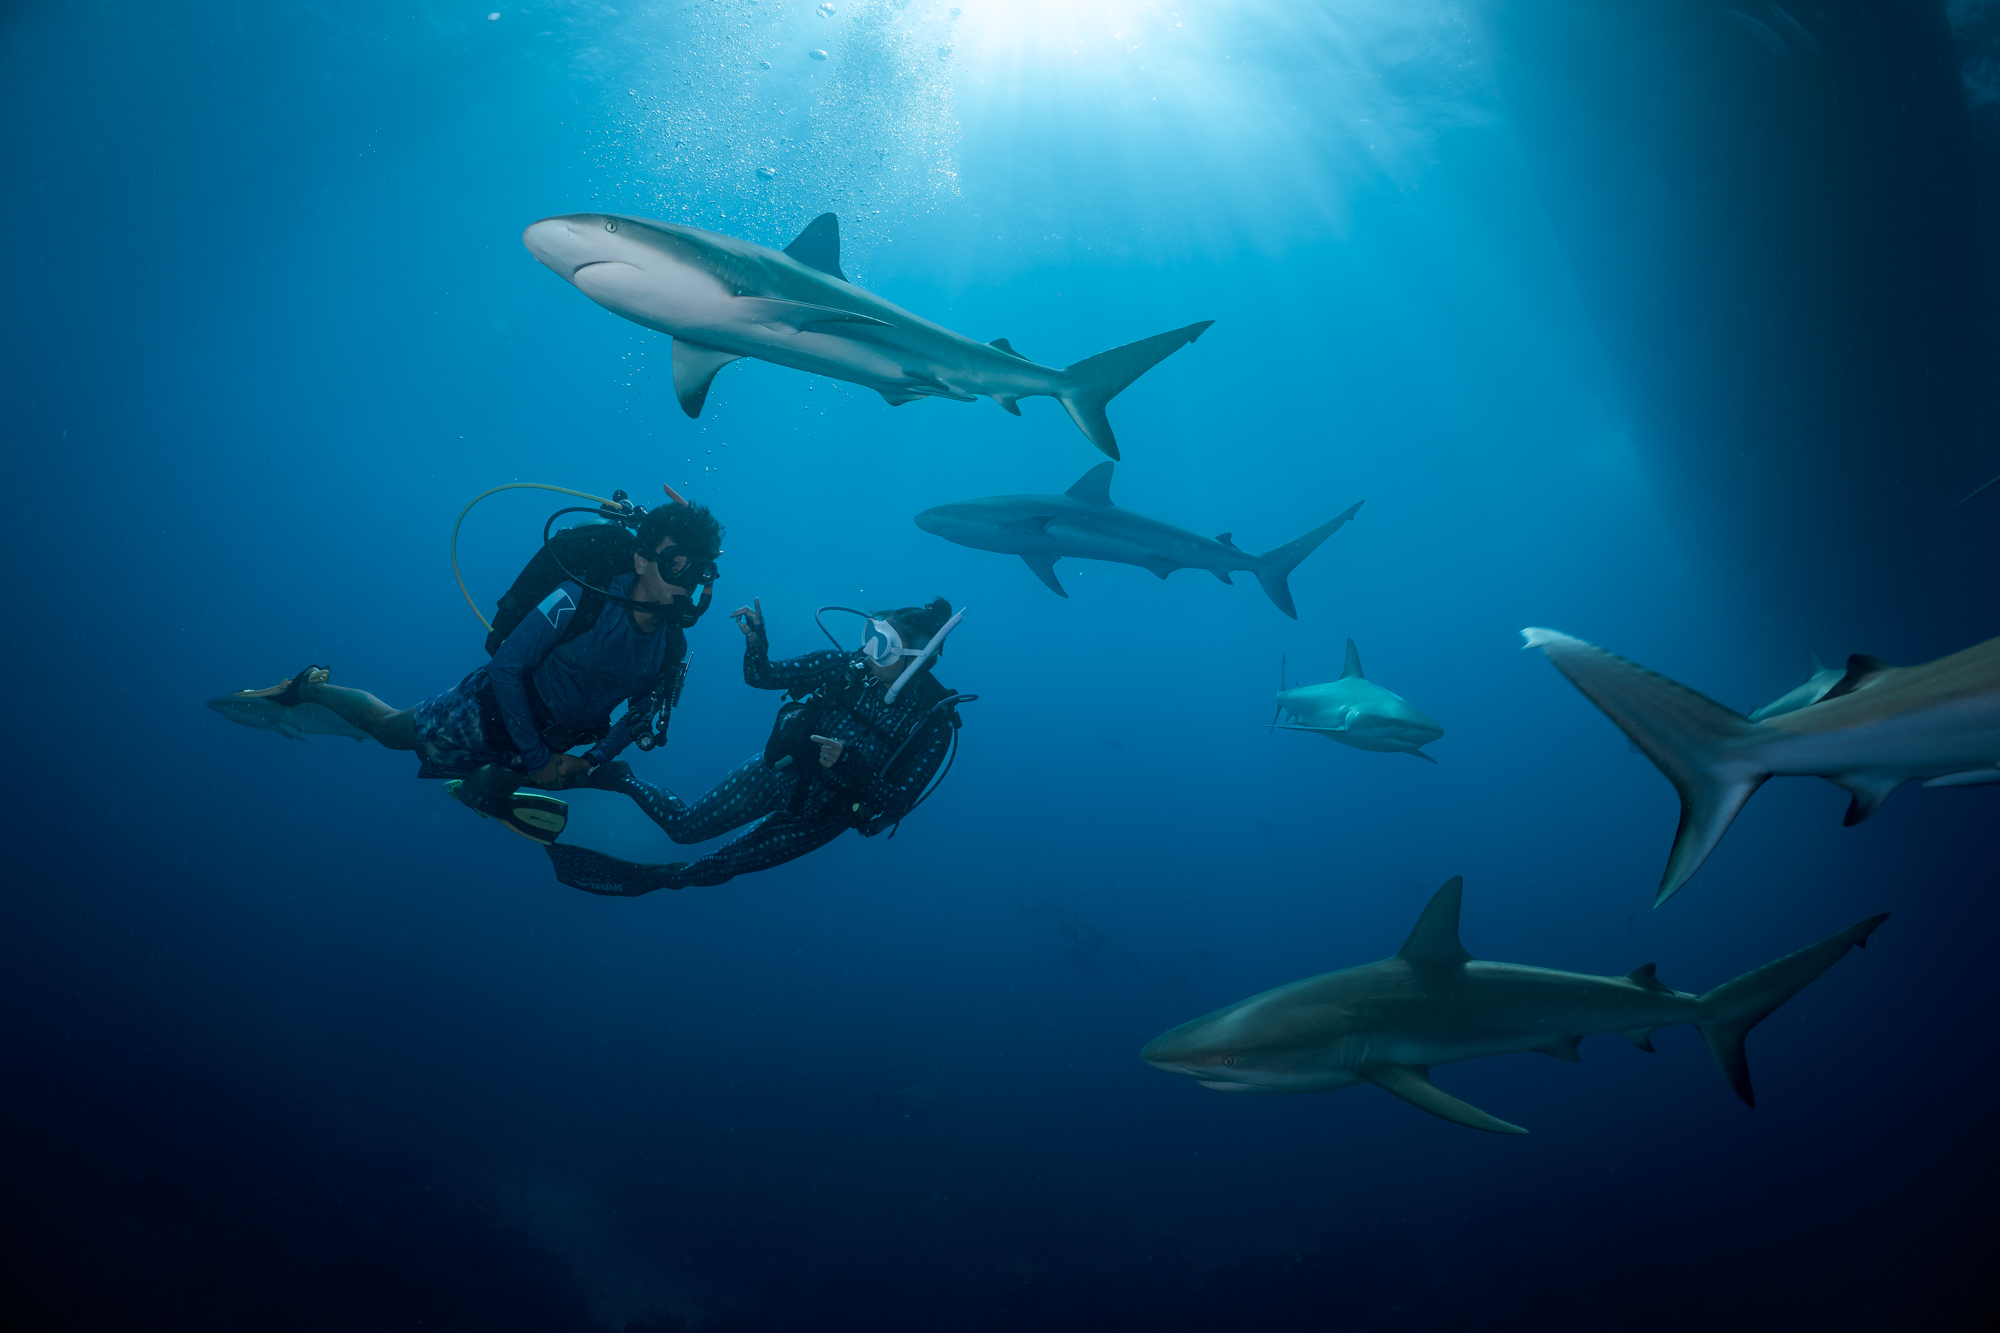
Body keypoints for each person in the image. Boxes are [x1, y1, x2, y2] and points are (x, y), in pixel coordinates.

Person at [245, 501, 725, 843]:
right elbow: (506, 667)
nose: (686, 580)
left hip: (558, 741)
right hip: (489, 710)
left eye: (697, 570)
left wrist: (594, 759)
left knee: (495, 784)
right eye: (674, 563)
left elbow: (642, 717)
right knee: (388, 730)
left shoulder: (672, 647)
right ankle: (309, 686)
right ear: (641, 560)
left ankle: (482, 790)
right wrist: (539, 760)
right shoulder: (582, 597)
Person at [547, 596, 968, 896]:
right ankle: (620, 779)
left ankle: (660, 879)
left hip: (818, 817)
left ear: (917, 658)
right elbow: (762, 677)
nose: (867, 650)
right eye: (870, 635)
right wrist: (756, 644)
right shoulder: (848, 665)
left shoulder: (933, 724)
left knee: (716, 867)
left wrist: (850, 765)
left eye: (883, 646)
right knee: (684, 827)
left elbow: (896, 803)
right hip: (779, 770)